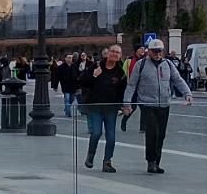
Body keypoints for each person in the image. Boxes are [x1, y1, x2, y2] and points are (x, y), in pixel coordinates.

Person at [124, 36, 191, 174]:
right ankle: (151, 161)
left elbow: (178, 80)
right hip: (148, 104)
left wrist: (187, 93)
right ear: (149, 51)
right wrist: (127, 103)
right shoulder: (140, 65)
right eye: (154, 51)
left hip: (164, 104)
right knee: (152, 133)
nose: (157, 54)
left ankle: (157, 161)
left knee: (161, 134)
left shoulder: (168, 64)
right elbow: (131, 85)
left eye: (159, 51)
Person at [79, 43, 127, 172]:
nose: (115, 54)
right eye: (113, 51)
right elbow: (82, 81)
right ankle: (90, 155)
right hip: (95, 106)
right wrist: (94, 75)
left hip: (111, 108)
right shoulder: (96, 66)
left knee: (111, 136)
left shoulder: (120, 72)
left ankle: (107, 161)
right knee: (96, 132)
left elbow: (121, 91)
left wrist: (123, 105)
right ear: (107, 53)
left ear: (120, 56)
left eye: (117, 52)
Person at [57, 53, 80, 118]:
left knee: (72, 99)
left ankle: (67, 108)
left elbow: (78, 76)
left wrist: (78, 86)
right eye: (68, 57)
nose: (70, 59)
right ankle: (68, 112)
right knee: (67, 99)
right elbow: (57, 77)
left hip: (73, 86)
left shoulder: (74, 66)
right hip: (65, 86)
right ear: (65, 58)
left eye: (71, 57)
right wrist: (55, 86)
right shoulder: (61, 67)